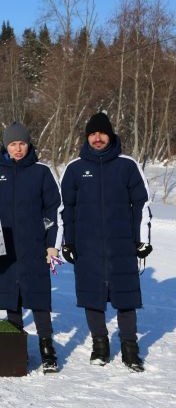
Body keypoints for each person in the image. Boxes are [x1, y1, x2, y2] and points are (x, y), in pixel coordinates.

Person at [60, 111, 152, 372]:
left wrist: (141, 240)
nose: (97, 138)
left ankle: (130, 348)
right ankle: (100, 345)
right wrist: (68, 242)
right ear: (87, 137)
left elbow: (142, 203)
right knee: (92, 296)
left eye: (101, 133)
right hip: (88, 246)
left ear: (110, 135)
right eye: (92, 134)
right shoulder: (75, 168)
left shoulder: (127, 165)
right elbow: (66, 209)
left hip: (121, 244)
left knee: (126, 298)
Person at [0, 122, 61, 372]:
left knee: (38, 296)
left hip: (34, 247)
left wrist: (51, 244)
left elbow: (54, 209)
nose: (18, 148)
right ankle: (17, 346)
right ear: (6, 146)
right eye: (13, 144)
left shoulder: (42, 172)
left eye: (22, 143)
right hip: (4, 247)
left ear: (29, 144)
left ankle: (47, 348)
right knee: (10, 296)